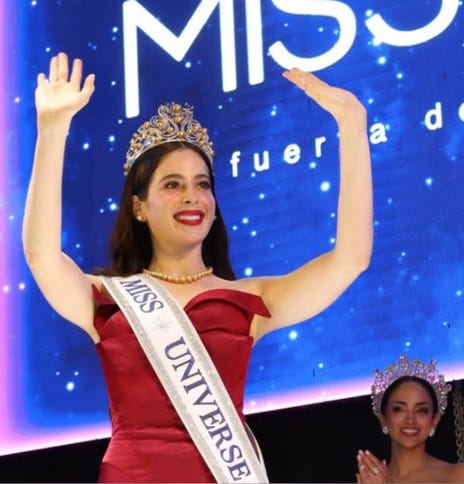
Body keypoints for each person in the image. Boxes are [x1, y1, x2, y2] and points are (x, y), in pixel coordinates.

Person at [23, 51, 373, 483]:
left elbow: (351, 259)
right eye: (173, 185)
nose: (193, 197)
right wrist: (52, 130)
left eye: (202, 185)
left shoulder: (253, 300)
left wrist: (353, 126)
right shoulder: (107, 300)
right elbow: (41, 255)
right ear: (138, 206)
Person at [356, 355, 464, 483]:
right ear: (383, 419)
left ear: (434, 421)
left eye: (421, 410)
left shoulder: (458, 475)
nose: (410, 420)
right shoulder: (371, 480)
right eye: (399, 409)